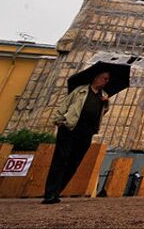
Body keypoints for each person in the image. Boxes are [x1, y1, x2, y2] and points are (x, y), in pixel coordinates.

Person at [42, 71, 110, 204]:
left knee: (74, 163)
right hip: (70, 128)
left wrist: (106, 103)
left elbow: (102, 113)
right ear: (96, 78)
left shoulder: (104, 96)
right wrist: (58, 120)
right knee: (60, 160)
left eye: (108, 79)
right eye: (105, 78)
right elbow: (65, 105)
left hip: (87, 132)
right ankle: (50, 193)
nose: (106, 81)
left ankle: (57, 191)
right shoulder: (80, 91)